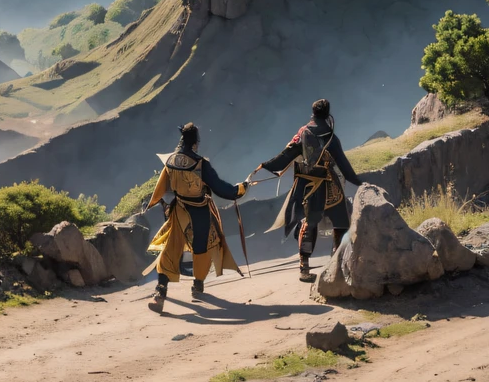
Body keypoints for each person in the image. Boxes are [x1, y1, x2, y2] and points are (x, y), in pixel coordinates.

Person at [253, 98, 362, 282]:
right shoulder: (331, 137)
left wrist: (264, 166)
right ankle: (336, 265)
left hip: (308, 185)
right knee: (341, 221)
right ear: (327, 114)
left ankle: (304, 268)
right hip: (329, 185)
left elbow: (285, 156)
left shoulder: (303, 133)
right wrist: (359, 181)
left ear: (313, 113)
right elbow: (343, 165)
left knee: (309, 223)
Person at [145, 122, 248, 313]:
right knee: (201, 247)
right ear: (195, 143)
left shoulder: (170, 161)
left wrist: (157, 205)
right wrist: (240, 189)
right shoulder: (201, 164)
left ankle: (160, 292)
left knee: (170, 249)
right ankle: (198, 284)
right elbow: (220, 188)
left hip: (179, 209)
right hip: (200, 210)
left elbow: (161, 188)